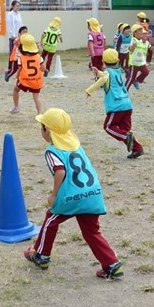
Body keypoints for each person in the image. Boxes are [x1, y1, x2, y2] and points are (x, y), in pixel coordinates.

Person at [24, 108, 124, 280]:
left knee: (51, 221)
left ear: (47, 130)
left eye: (42, 128)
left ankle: (41, 255)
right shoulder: (76, 144)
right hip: (92, 193)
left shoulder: (52, 151)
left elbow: (60, 172)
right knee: (92, 231)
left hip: (72, 197)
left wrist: (54, 195)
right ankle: (111, 264)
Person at [85, 48, 144, 159]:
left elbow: (103, 79)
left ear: (103, 61)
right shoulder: (118, 71)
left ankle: (127, 138)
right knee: (123, 130)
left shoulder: (107, 73)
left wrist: (90, 90)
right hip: (127, 104)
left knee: (108, 127)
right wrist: (98, 73)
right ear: (117, 60)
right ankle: (137, 148)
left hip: (116, 107)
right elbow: (106, 75)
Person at [11, 34, 45, 115]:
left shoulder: (21, 57)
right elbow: (43, 68)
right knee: (36, 98)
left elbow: (20, 69)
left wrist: (17, 76)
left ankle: (16, 107)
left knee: (16, 90)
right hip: (36, 80)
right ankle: (39, 113)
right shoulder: (38, 56)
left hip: (25, 80)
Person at [126, 24, 150, 90]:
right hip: (134, 63)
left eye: (141, 30)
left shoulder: (141, 41)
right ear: (135, 33)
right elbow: (131, 49)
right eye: (139, 30)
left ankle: (137, 80)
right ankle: (124, 90)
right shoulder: (134, 40)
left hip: (141, 62)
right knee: (131, 78)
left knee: (146, 72)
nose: (141, 32)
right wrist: (132, 47)